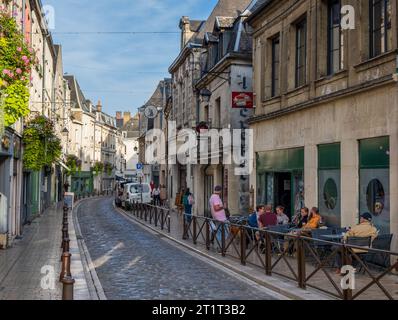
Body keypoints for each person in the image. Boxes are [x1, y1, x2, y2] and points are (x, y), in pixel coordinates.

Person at [209, 185, 229, 252]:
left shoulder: (212, 196)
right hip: (220, 218)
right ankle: (221, 248)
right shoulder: (216, 197)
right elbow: (216, 208)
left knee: (219, 233)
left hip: (217, 217)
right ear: (220, 190)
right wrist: (223, 206)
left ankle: (220, 247)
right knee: (224, 232)